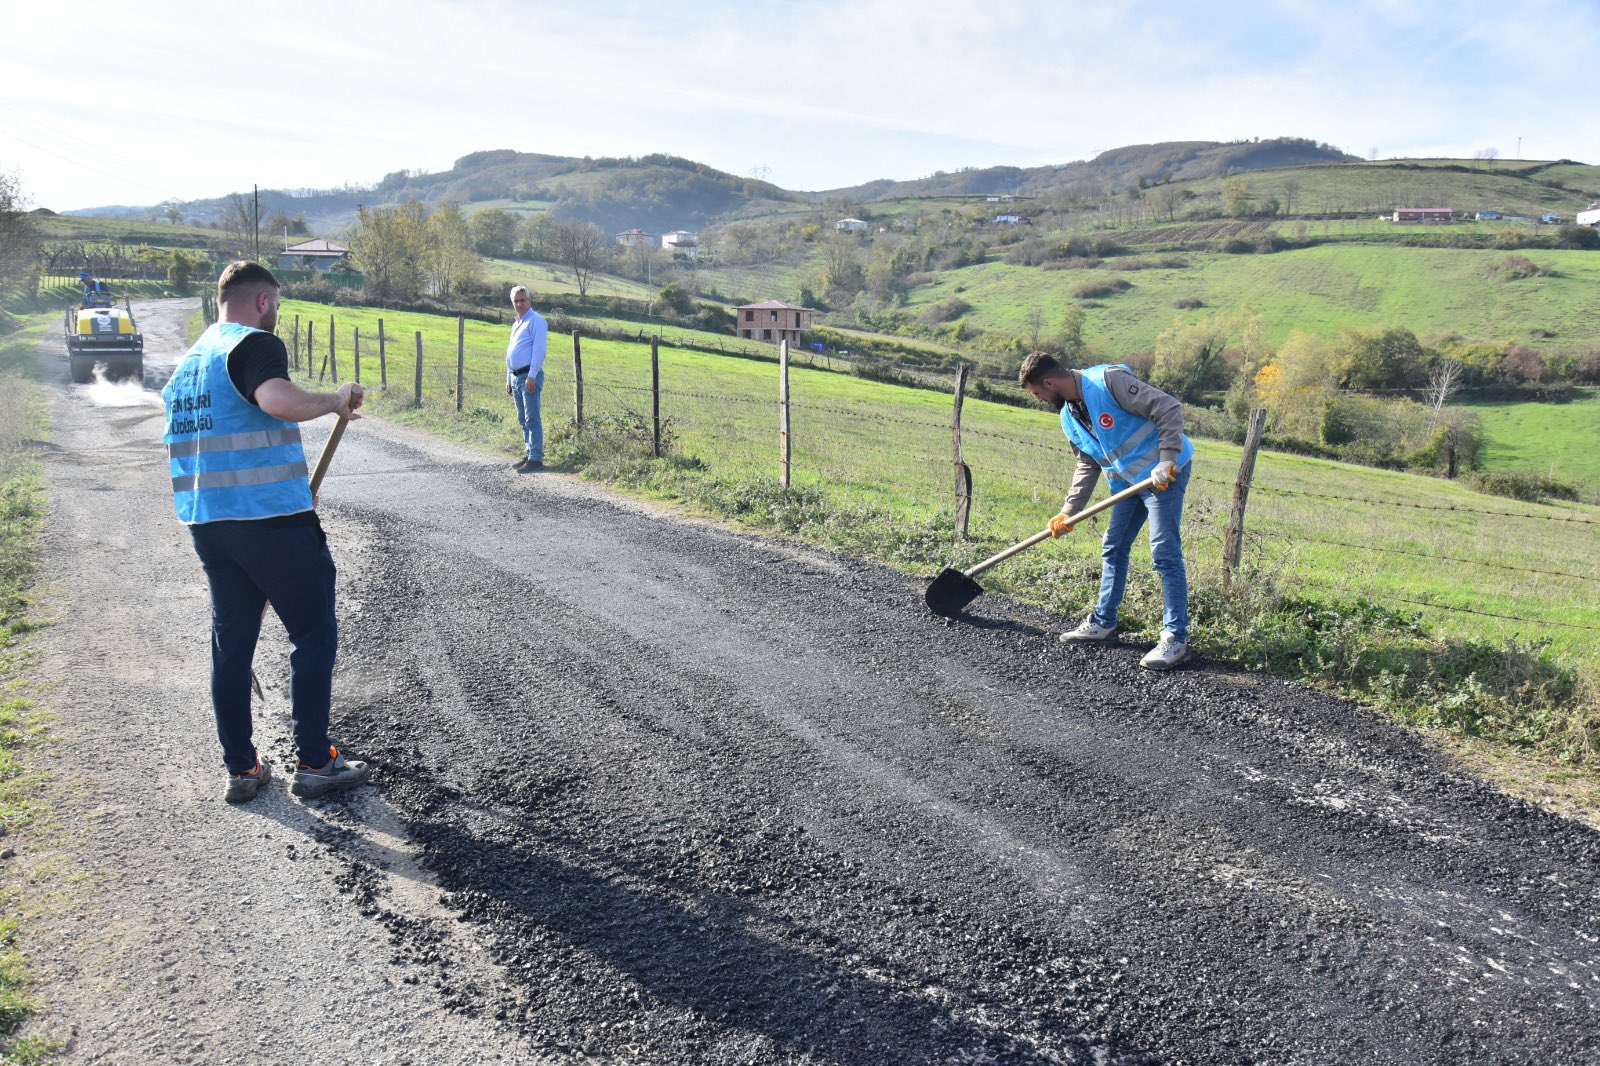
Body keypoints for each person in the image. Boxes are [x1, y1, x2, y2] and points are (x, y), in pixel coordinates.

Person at [162, 260, 371, 802]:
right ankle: (314, 761)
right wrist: (333, 400)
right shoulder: (253, 344)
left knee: (231, 646)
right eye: (275, 305)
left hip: (211, 525)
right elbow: (276, 401)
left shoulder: (188, 365)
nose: (276, 314)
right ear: (262, 302)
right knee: (313, 634)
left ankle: (242, 768)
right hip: (272, 526)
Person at [1018, 352, 1196, 670]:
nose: (1039, 399)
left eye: (1037, 393)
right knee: (1113, 547)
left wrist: (1167, 458)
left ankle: (1175, 638)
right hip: (1128, 484)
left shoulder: (1109, 381)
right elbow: (1088, 463)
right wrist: (1068, 512)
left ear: (1049, 383)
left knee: (1164, 554)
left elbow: (1168, 407)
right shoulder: (1068, 417)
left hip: (1164, 476)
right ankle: (1103, 623)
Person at [504, 285, 548, 472]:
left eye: (523, 300)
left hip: (528, 375)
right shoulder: (517, 323)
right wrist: (508, 377)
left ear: (530, 301)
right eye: (516, 301)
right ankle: (529, 453)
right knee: (522, 418)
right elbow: (510, 352)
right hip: (515, 376)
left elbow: (539, 350)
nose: (519, 304)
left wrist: (532, 375)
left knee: (532, 417)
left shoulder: (536, 321)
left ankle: (536, 459)